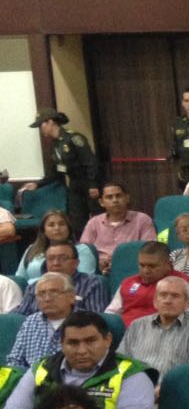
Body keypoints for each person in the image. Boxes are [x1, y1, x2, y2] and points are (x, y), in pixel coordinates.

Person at [0, 310, 155, 409]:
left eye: (90, 341)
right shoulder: (41, 369)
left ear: (107, 340)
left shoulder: (132, 375)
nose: (81, 350)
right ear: (62, 343)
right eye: (73, 343)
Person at [19, 109, 99, 238]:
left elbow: (90, 161)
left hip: (89, 183)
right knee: (77, 221)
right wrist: (37, 184)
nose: (41, 129)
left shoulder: (73, 138)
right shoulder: (56, 145)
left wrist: (93, 184)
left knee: (97, 218)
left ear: (50, 122)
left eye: (41, 125)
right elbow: (56, 172)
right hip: (74, 185)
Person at [117, 274, 189, 381]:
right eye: (163, 295)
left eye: (175, 296)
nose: (168, 301)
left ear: (187, 303)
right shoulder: (137, 324)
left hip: (173, 390)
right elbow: (120, 361)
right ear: (155, 301)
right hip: (135, 388)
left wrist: (164, 388)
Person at [104, 242, 189, 326]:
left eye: (152, 266)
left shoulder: (185, 284)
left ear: (168, 264)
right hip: (124, 335)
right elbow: (111, 313)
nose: (146, 271)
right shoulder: (128, 283)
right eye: (142, 265)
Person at [78, 181, 156, 276]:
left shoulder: (142, 219)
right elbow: (84, 250)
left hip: (131, 268)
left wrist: (118, 262)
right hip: (99, 270)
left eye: (118, 196)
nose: (115, 200)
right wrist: (99, 263)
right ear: (101, 202)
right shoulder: (94, 222)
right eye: (109, 197)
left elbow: (150, 249)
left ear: (127, 198)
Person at [15, 243, 108, 316]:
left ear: (76, 263)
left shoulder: (91, 283)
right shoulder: (35, 286)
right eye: (51, 259)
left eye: (63, 258)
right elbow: (20, 314)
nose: (56, 263)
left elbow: (95, 317)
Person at [6, 274, 77, 369]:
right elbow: (15, 360)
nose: (47, 299)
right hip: (30, 379)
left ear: (71, 297)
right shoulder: (31, 321)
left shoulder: (86, 322)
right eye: (41, 294)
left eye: (54, 292)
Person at [15, 210, 97, 280]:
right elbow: (20, 279)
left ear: (69, 228)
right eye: (51, 225)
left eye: (62, 224)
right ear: (44, 231)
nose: (57, 228)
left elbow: (84, 279)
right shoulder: (32, 249)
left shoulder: (81, 249)